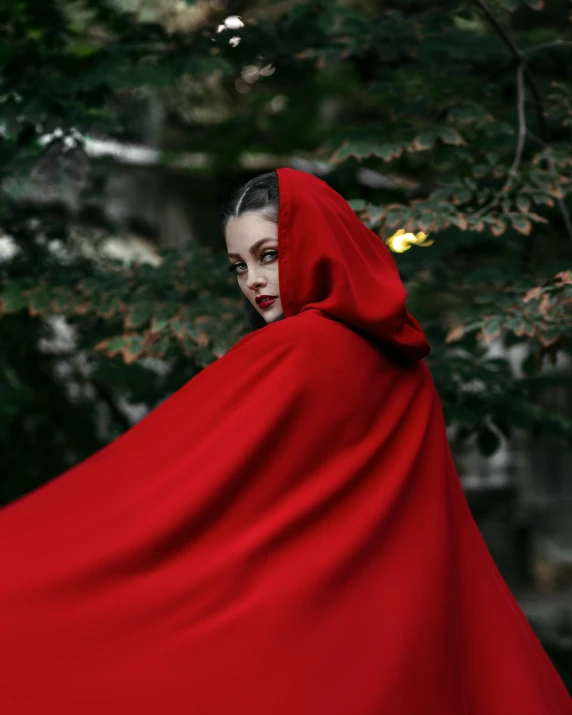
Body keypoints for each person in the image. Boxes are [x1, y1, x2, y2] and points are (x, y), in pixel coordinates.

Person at [0, 168, 570, 714]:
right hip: (392, 621)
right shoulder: (401, 363)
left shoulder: (299, 349)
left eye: (268, 256)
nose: (253, 281)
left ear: (314, 246)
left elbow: (160, 481)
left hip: (302, 618)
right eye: (239, 266)